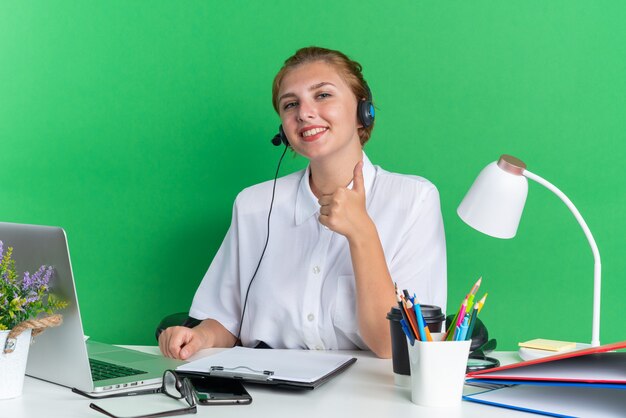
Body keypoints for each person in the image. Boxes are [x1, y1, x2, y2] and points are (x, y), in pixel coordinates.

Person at [158, 46, 446, 360]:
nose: (304, 113)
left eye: (322, 95)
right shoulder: (254, 205)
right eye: (290, 104)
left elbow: (397, 346)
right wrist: (199, 336)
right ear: (284, 128)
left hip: (367, 394)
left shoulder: (413, 200)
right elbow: (227, 321)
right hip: (265, 390)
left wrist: (362, 233)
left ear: (364, 111)